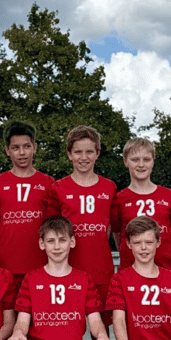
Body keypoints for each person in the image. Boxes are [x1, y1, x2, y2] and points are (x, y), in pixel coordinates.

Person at [2, 216, 118, 340]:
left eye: (62, 240)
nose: (57, 246)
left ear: (72, 242)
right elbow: (22, 321)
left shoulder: (84, 278)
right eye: (51, 241)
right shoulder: (31, 279)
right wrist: (17, 333)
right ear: (42, 244)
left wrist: (102, 335)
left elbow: (95, 321)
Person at [50, 126, 117, 319]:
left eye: (89, 151)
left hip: (101, 269)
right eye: (78, 152)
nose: (84, 157)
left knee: (102, 327)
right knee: (68, 324)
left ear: (97, 153)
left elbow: (111, 228)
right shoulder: (58, 188)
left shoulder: (109, 187)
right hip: (67, 270)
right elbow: (52, 231)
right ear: (69, 154)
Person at [0, 121, 57, 306]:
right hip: (7, 265)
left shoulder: (48, 183)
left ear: (34, 147)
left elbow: (51, 226)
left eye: (27, 146)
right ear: (7, 150)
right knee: (9, 316)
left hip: (40, 264)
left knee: (39, 316)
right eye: (16, 148)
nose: (22, 153)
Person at [111, 137, 171, 273]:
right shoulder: (119, 199)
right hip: (130, 272)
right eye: (135, 159)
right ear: (125, 161)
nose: (141, 165)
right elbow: (117, 234)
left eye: (146, 159)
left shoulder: (168, 195)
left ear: (153, 162)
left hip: (165, 270)